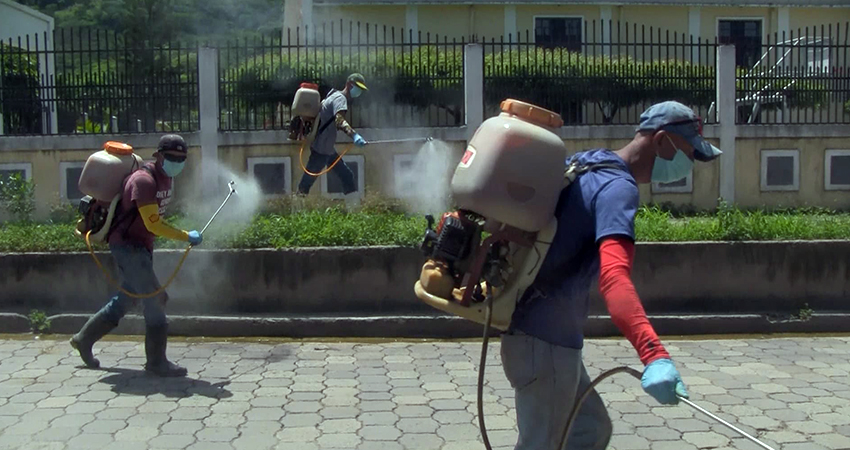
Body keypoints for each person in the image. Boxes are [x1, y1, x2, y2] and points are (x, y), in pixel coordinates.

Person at [501, 101, 722, 450]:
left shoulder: (590, 161)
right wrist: (654, 354)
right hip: (544, 344)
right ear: (662, 141)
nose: (689, 163)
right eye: (688, 152)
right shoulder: (619, 189)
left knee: (589, 430)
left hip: (540, 338)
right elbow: (614, 279)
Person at [70, 134, 203, 377]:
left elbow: (153, 220)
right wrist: (185, 236)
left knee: (127, 299)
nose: (177, 162)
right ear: (158, 156)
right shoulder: (144, 181)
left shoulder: (165, 179)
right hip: (128, 247)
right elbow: (153, 224)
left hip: (140, 247)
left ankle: (84, 338)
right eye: (172, 157)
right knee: (155, 299)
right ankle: (156, 362)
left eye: (182, 159)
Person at [296, 73, 369, 204]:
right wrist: (354, 136)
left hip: (327, 149)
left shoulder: (333, 95)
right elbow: (339, 120)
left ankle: (353, 209)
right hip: (321, 149)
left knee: (346, 175)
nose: (359, 92)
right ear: (349, 84)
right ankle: (296, 209)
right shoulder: (340, 99)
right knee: (307, 182)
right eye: (357, 88)